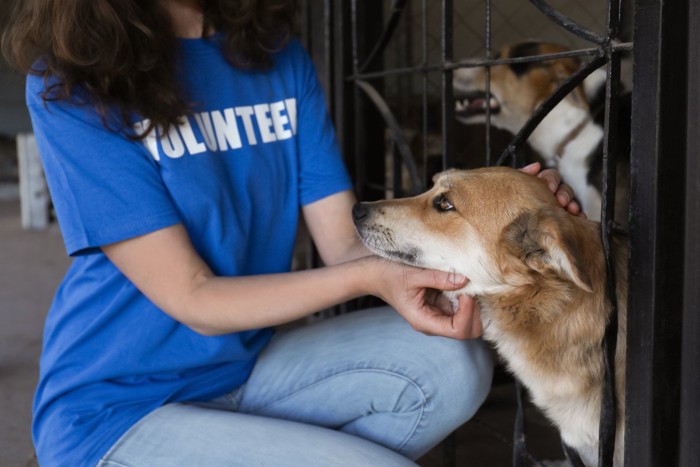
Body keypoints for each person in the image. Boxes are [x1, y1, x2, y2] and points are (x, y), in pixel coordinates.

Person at [2, 1, 582, 466]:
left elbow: (347, 244)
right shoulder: (73, 84)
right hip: (118, 404)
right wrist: (371, 276)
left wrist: (509, 221)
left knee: (455, 367)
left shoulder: (274, 56)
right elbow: (194, 297)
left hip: (248, 366)